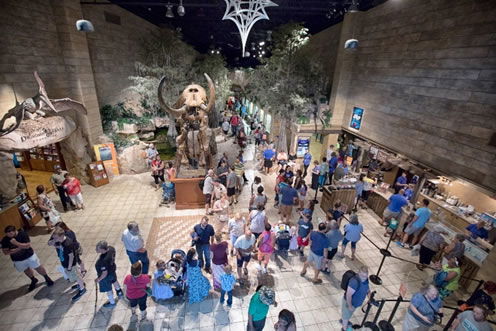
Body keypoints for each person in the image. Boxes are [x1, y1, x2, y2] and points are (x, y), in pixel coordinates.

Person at [2, 225, 54, 292]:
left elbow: (27, 246)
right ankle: (33, 280)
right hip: (17, 259)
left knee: (38, 267)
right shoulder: (5, 239)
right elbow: (5, 252)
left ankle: (47, 278)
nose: (9, 236)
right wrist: (19, 248)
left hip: (29, 255)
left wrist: (16, 243)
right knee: (26, 270)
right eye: (8, 235)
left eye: (11, 234)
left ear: (15, 231)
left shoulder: (22, 234)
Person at [51, 228, 87, 301]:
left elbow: (71, 256)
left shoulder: (67, 243)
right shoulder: (61, 241)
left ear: (61, 236)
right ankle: (81, 284)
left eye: (55, 237)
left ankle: (82, 289)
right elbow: (60, 247)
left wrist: (69, 267)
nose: (54, 239)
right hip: (65, 262)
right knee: (77, 275)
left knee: (76, 276)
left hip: (70, 264)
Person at [94, 240, 123, 308]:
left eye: (97, 249)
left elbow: (104, 273)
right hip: (112, 270)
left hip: (107, 276)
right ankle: (119, 292)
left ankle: (112, 302)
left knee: (108, 289)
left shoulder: (103, 261)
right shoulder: (111, 249)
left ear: (102, 249)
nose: (96, 250)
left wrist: (99, 279)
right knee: (114, 281)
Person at [341, 266, 371, 331]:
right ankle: (344, 328)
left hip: (355, 304)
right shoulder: (354, 282)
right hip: (349, 303)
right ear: (358, 273)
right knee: (346, 315)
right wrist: (350, 306)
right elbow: (348, 295)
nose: (364, 278)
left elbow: (367, 289)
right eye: (362, 276)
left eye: (365, 276)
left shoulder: (366, 280)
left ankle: (344, 320)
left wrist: (370, 297)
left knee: (348, 314)